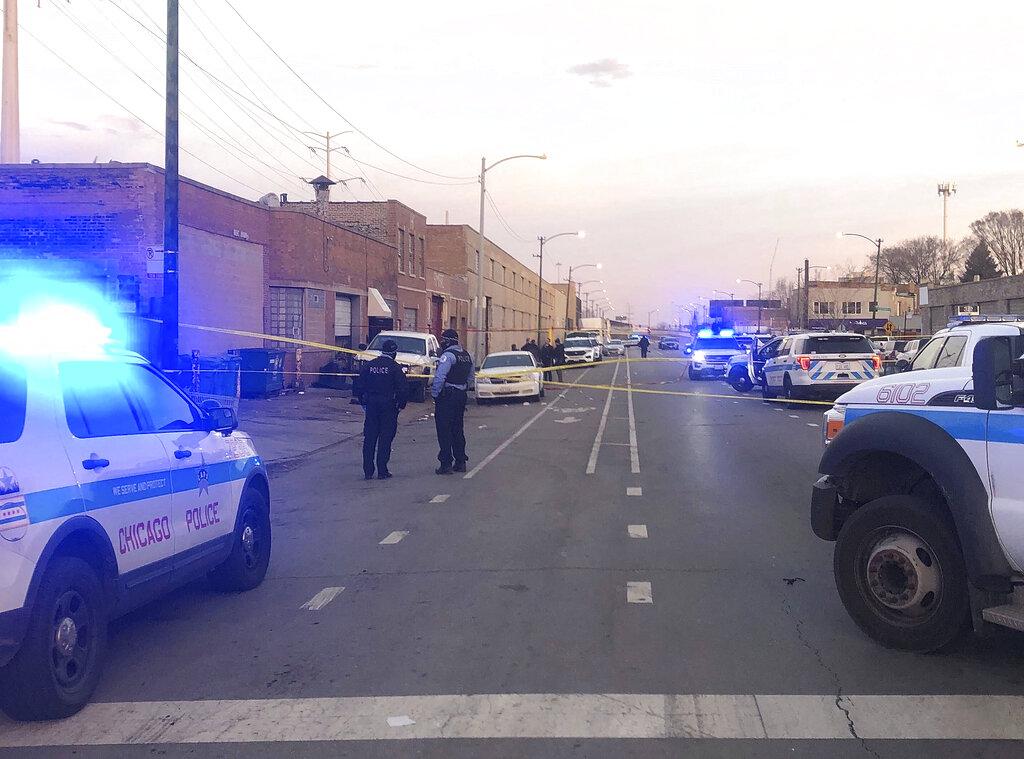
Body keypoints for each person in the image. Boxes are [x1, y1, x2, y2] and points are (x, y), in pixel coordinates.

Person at [357, 339, 407, 480]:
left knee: (370, 438)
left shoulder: (370, 365)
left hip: (372, 405)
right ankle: (382, 470)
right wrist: (401, 405)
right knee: (385, 438)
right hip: (388, 406)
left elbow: (359, 387)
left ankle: (368, 470)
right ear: (394, 353)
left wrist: (364, 403)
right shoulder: (395, 368)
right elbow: (403, 389)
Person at [431, 328, 475, 475]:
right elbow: (471, 377)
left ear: (448, 341)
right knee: (457, 429)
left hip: (447, 397)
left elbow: (440, 376)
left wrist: (435, 394)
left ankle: (446, 463)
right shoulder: (466, 355)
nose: (442, 343)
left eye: (443, 340)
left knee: (444, 430)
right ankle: (461, 461)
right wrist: (464, 389)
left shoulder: (448, 356)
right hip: (461, 396)